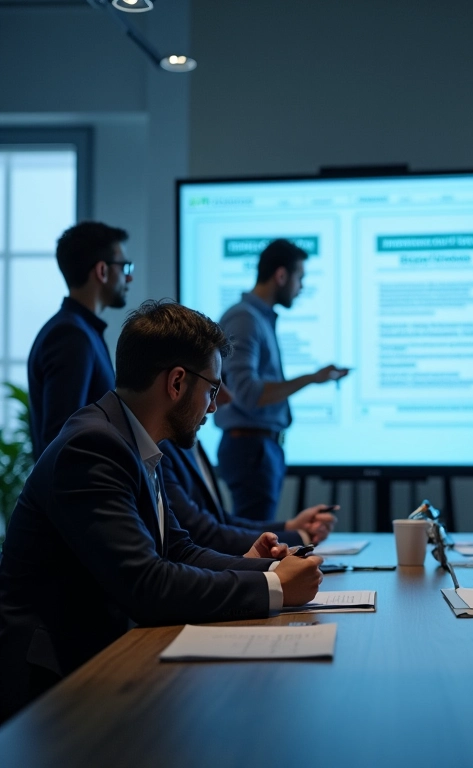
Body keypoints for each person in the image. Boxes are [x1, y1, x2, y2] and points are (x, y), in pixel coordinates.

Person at [0, 300, 323, 720]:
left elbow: (178, 550)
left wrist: (264, 568)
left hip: (100, 659)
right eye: (211, 389)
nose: (213, 406)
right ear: (175, 383)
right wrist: (276, 589)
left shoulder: (131, 442)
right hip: (50, 684)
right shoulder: (93, 448)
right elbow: (147, 585)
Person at [215, 238, 349, 521]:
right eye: (300, 277)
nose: (301, 287)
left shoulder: (257, 317)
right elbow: (248, 394)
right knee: (256, 545)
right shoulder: (245, 319)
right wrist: (310, 378)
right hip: (251, 451)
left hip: (258, 450)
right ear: (281, 275)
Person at [28, 221, 133, 460]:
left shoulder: (80, 330)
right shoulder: (71, 335)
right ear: (102, 271)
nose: (130, 278)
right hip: (79, 494)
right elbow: (62, 439)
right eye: (125, 267)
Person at [161, 432, 338, 555]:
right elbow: (202, 534)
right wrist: (303, 537)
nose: (219, 403)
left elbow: (222, 520)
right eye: (213, 389)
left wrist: (291, 526)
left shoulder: (190, 443)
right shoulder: (163, 449)